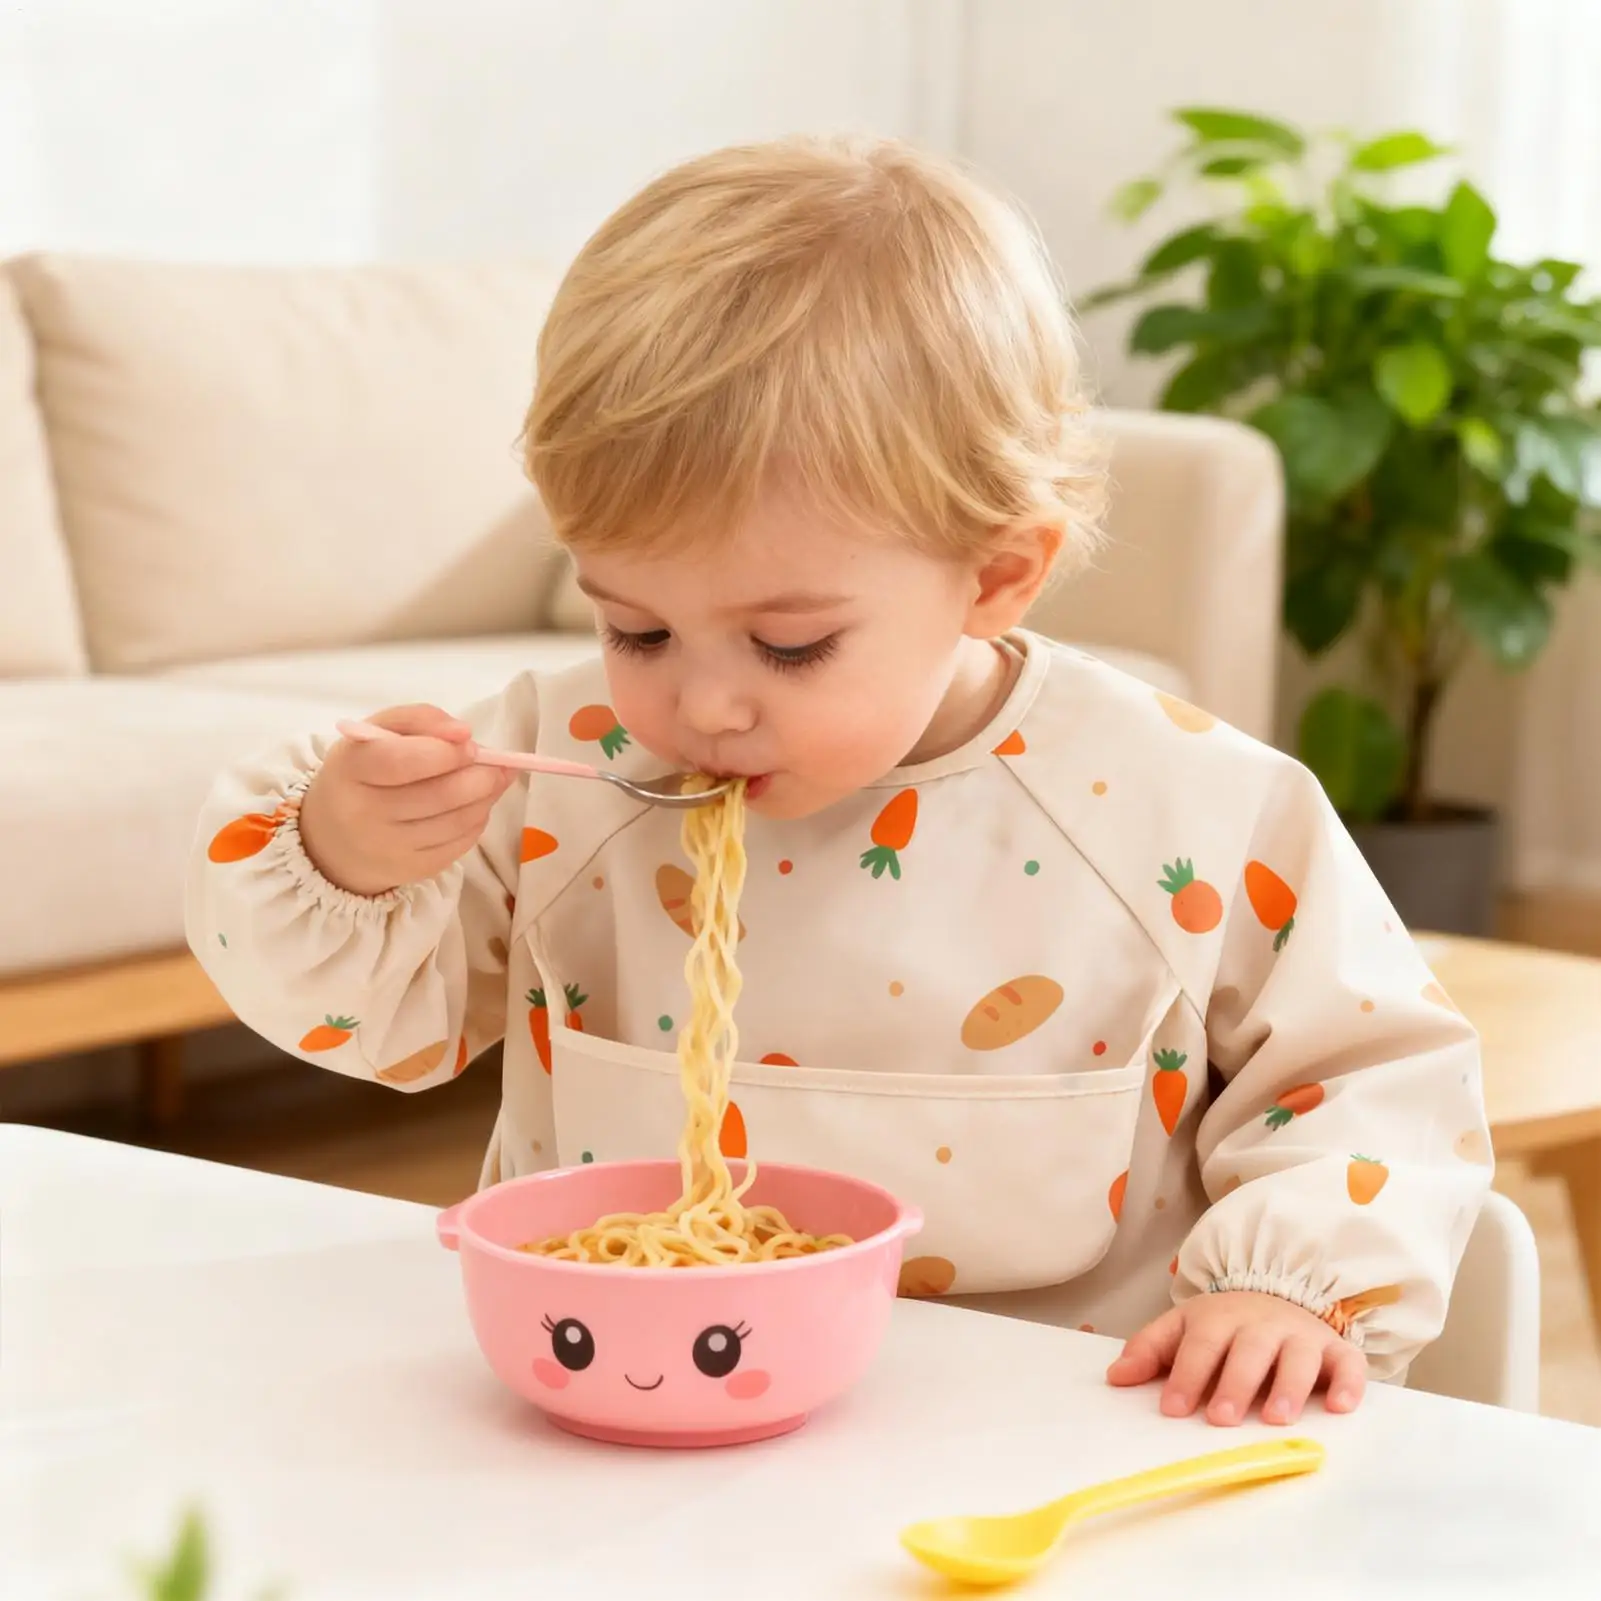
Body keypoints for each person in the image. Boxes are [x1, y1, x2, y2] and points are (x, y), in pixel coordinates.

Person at [185, 134, 1490, 1428]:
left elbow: (1375, 1072)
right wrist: (343, 853)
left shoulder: (1184, 811)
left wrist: (1286, 1288)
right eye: (637, 627)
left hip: (1050, 1446)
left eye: (790, 644)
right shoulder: (569, 770)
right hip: (626, 1420)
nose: (700, 704)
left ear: (995, 576)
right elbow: (372, 1025)